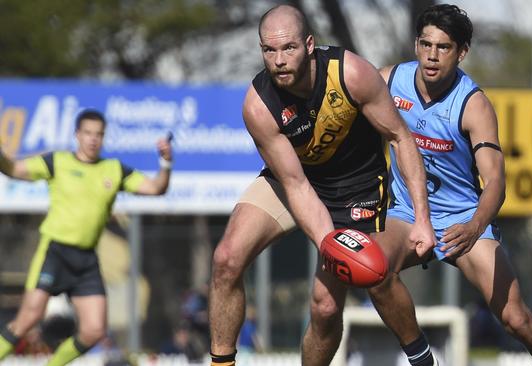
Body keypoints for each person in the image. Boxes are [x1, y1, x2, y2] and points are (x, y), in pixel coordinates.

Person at [208, 5, 436, 366]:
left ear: (309, 44)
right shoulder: (258, 105)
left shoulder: (352, 74)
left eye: (289, 49)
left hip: (355, 188)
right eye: (269, 50)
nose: (279, 60)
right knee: (226, 260)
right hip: (294, 179)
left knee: (326, 306)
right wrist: (330, 245)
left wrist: (422, 218)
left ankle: (421, 356)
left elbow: (400, 138)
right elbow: (295, 184)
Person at [367, 4, 532, 366]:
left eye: (443, 47)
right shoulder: (388, 81)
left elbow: (496, 181)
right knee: (372, 269)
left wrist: (474, 226)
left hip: (464, 221)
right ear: (416, 44)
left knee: (517, 319)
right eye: (425, 44)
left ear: (461, 52)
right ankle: (421, 357)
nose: (431, 56)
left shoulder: (473, 105)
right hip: (407, 213)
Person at [0, 109, 173, 365]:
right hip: (55, 252)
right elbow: (13, 168)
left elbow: (156, 188)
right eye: (88, 133)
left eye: (98, 134)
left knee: (93, 330)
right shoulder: (57, 162)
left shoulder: (113, 169)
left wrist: (166, 163)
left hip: (86, 260)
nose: (93, 139)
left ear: (103, 138)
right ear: (77, 135)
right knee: (28, 319)